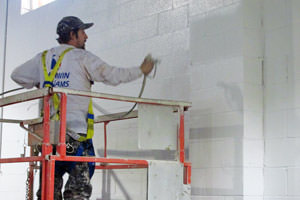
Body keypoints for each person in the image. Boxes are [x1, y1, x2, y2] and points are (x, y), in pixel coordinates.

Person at [11, 16, 154, 200]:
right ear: (72, 34)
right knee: (79, 191)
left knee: (48, 191)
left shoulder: (43, 58)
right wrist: (141, 70)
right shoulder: (82, 57)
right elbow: (112, 75)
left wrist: (39, 82)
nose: (86, 37)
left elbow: (17, 75)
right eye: (82, 32)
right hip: (75, 136)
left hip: (49, 138)